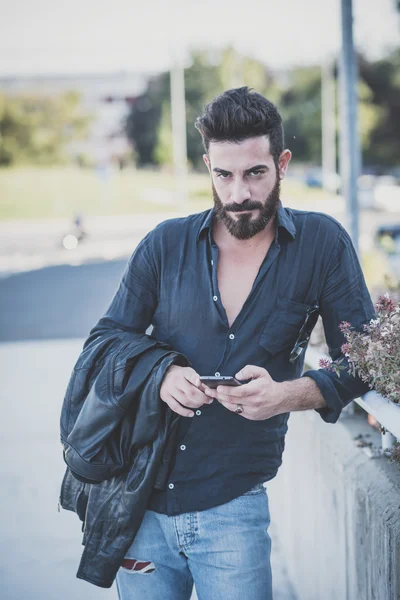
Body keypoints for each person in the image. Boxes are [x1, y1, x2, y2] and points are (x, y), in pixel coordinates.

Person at [97, 86, 374, 599]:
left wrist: (288, 395)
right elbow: (107, 339)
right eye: (223, 174)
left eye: (254, 173)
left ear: (282, 163)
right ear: (208, 166)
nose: (238, 193)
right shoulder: (164, 243)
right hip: (139, 503)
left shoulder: (322, 245)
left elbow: (362, 362)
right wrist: (162, 375)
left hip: (234, 509)